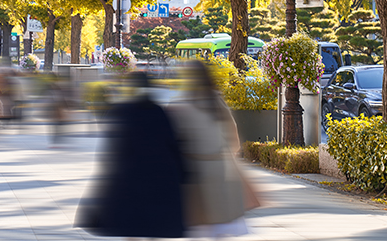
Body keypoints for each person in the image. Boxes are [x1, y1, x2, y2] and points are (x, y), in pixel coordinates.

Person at [75, 71, 185, 239]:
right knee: (155, 226)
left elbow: (111, 149)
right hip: (158, 178)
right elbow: (174, 145)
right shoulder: (159, 112)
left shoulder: (121, 111)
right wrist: (183, 174)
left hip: (129, 178)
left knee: (131, 226)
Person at [168, 60, 257, 239]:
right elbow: (233, 135)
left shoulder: (181, 104)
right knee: (221, 222)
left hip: (194, 169)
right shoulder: (216, 100)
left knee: (200, 222)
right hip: (221, 167)